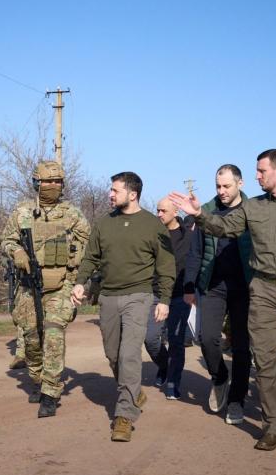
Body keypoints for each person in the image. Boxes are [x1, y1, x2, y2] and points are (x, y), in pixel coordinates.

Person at [170, 149, 276, 451]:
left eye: (261, 171)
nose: (257, 176)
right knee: (265, 361)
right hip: (261, 290)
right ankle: (275, 425)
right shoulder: (253, 208)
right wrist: (198, 214)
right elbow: (223, 227)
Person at [72, 172, 174, 442]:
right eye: (111, 189)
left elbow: (166, 265)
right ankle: (133, 390)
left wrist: (164, 299)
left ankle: (124, 416)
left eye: (115, 190)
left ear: (133, 194)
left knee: (129, 354)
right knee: (114, 355)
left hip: (139, 296)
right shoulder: (104, 223)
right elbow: (91, 257)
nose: (110, 194)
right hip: (108, 296)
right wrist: (81, 283)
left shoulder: (153, 225)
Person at [0, 161, 90, 418]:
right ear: (36, 182)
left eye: (57, 181)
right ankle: (37, 376)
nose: (52, 186)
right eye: (47, 181)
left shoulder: (72, 214)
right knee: (31, 337)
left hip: (61, 284)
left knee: (53, 333)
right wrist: (15, 250)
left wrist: (79, 279)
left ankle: (51, 391)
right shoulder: (23, 212)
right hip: (28, 286)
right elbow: (5, 239)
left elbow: (90, 248)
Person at [184, 164, 253, 424]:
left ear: (240, 184)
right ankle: (220, 378)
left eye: (227, 186)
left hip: (245, 288)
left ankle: (236, 401)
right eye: (218, 186)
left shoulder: (253, 210)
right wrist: (189, 286)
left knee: (242, 346)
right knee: (207, 337)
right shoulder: (207, 212)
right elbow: (195, 252)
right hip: (213, 285)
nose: (221, 191)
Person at [154, 197, 195, 401]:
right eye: (157, 210)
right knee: (151, 339)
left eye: (163, 211)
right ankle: (163, 364)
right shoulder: (153, 233)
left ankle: (172, 381)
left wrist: (193, 290)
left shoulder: (189, 236)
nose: (159, 214)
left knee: (176, 340)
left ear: (175, 212)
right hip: (155, 293)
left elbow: (194, 263)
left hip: (180, 295)